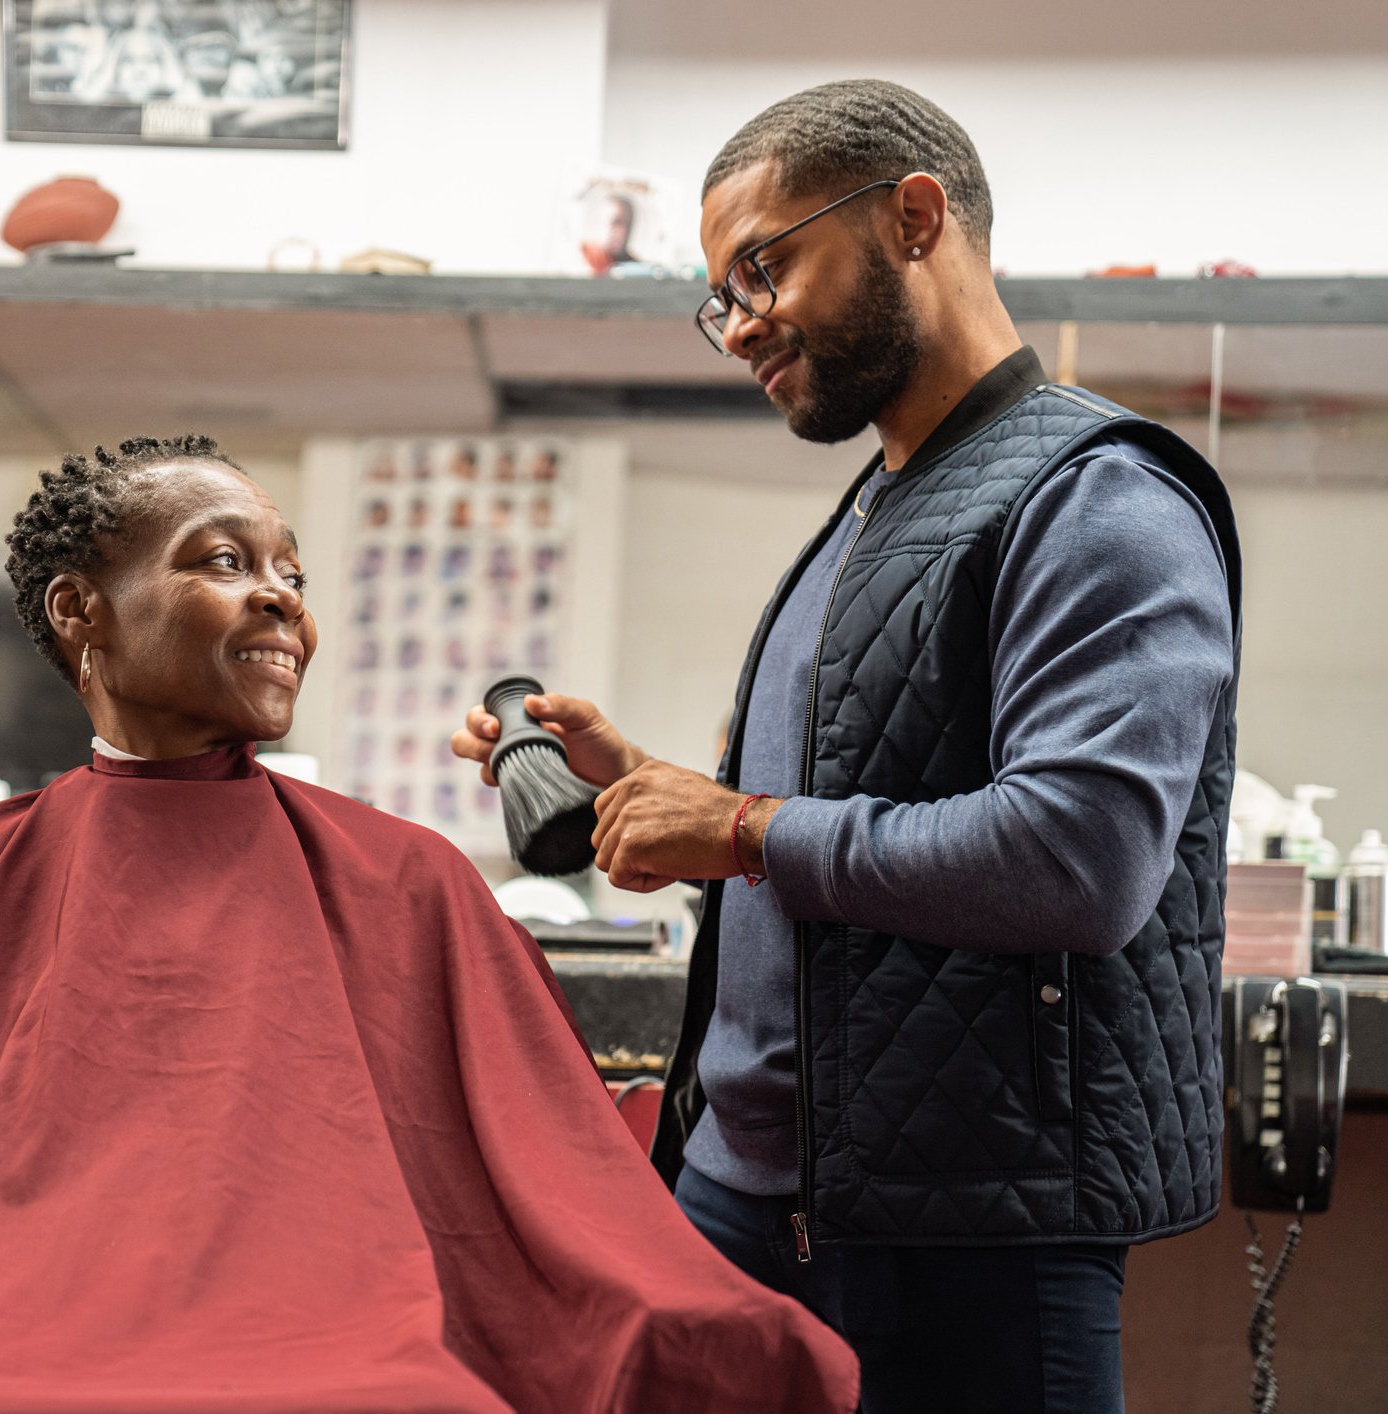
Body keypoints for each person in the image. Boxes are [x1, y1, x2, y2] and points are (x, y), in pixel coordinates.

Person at [0, 436, 857, 1413]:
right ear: (80, 611)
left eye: (291, 571)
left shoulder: (408, 880)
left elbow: (549, 1194)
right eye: (224, 560)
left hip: (367, 1351)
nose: (281, 594)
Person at [453, 81, 1241, 1414]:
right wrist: (652, 790)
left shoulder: (1096, 497)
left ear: (912, 218)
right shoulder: (877, 508)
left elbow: (1080, 858)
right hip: (746, 1190)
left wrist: (738, 827)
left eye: (762, 268)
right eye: (719, 297)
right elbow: (844, 820)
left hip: (967, 1229)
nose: (738, 324)